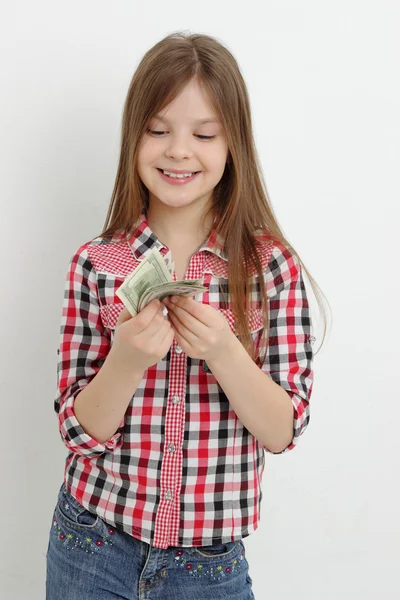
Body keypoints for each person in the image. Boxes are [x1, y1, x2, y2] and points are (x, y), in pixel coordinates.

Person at [46, 31, 328, 600]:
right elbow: (78, 430)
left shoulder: (270, 268)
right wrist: (124, 362)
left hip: (210, 567)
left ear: (233, 146)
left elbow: (282, 430)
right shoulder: (97, 263)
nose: (178, 150)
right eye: (157, 130)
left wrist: (225, 351)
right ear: (134, 138)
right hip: (91, 544)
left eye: (203, 134)